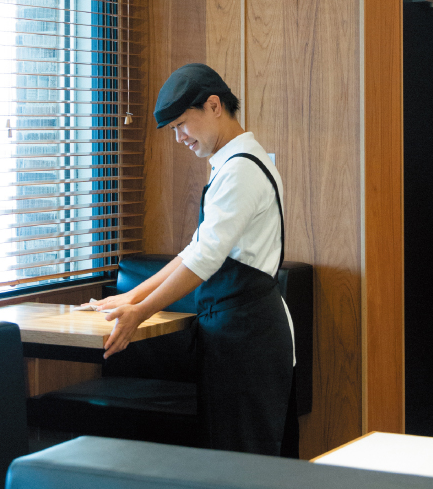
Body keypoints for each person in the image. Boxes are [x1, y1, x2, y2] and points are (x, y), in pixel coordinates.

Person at [89, 63, 295, 457]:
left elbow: (204, 259)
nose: (179, 137)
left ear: (214, 106)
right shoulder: (235, 164)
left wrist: (142, 311)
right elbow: (193, 251)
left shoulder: (240, 172)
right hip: (237, 331)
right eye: (173, 131)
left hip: (248, 336)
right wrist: (130, 298)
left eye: (182, 124)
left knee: (243, 471)